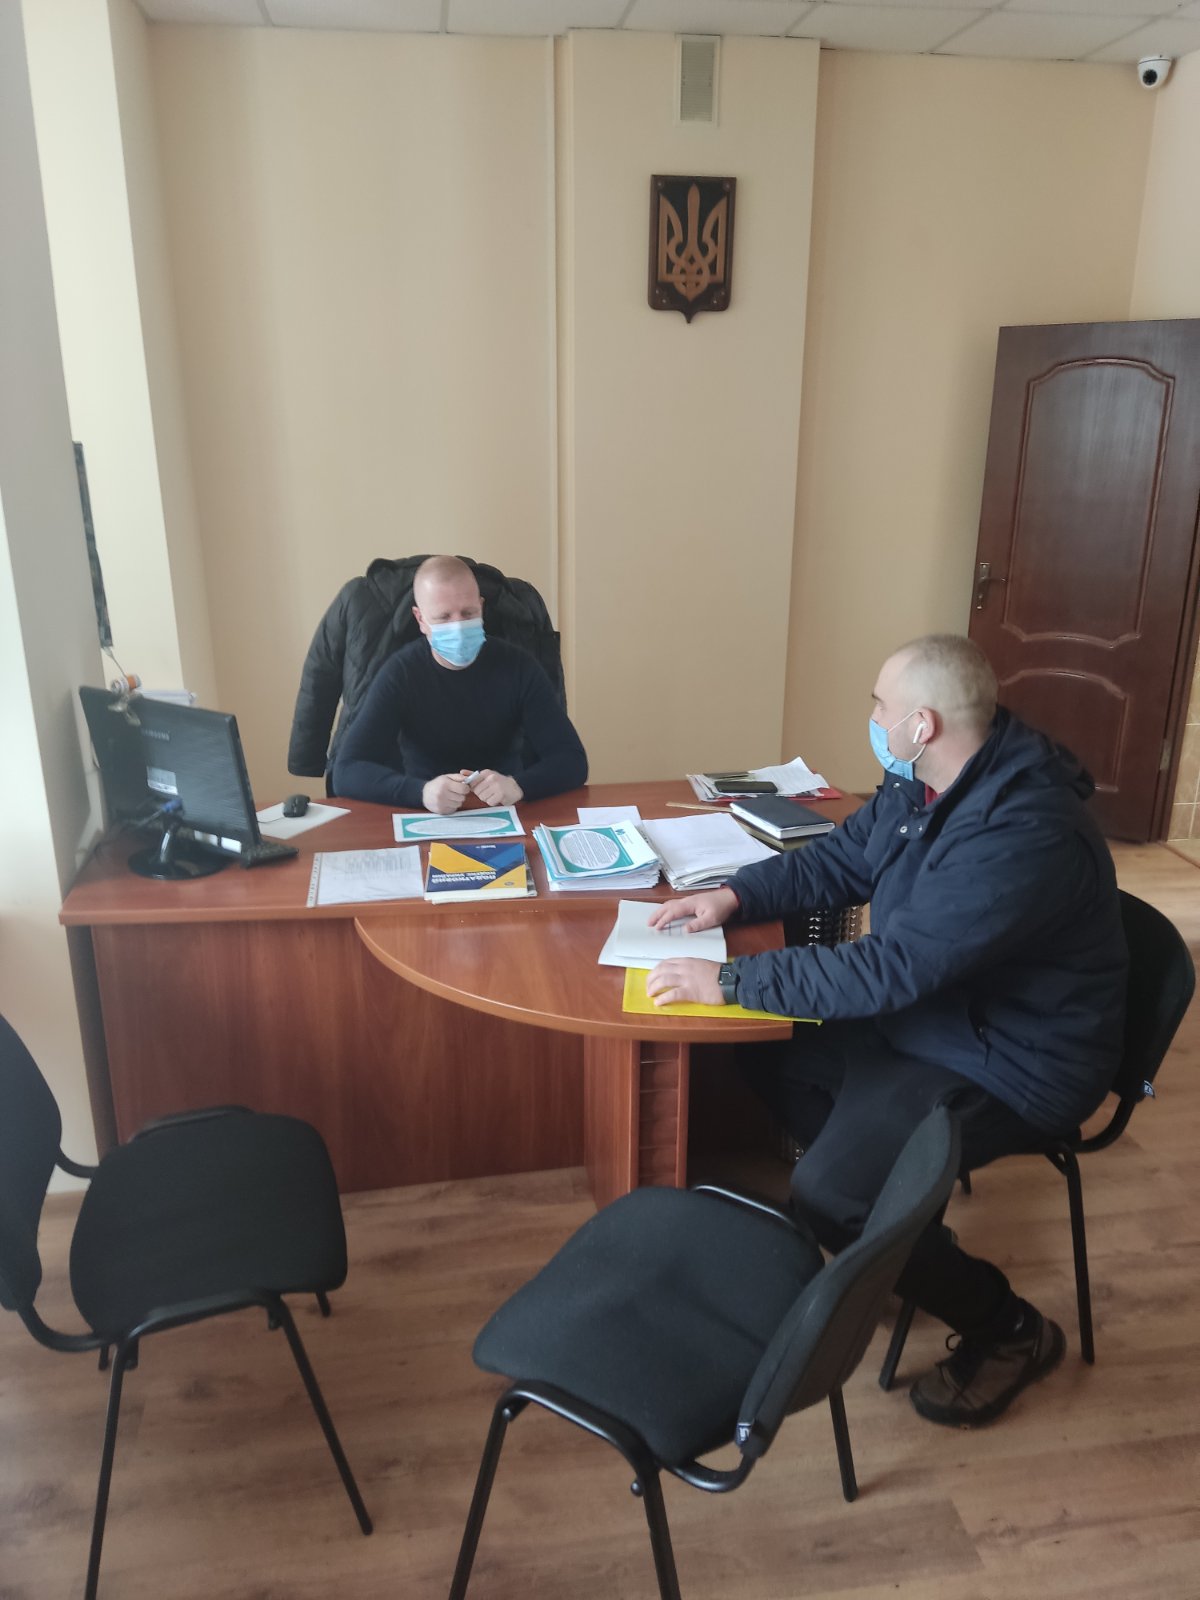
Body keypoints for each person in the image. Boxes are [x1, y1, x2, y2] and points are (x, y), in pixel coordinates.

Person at [645, 634, 1128, 1428]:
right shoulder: (928, 779)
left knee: (832, 1195)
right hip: (940, 1017)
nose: (873, 718)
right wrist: (735, 897)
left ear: (922, 724)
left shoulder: (1023, 833)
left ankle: (1008, 1328)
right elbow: (843, 858)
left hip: (1015, 1060)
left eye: (880, 706)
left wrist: (731, 980)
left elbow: (887, 969)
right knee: (765, 1053)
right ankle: (897, 1232)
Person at [331, 555, 587, 812]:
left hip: (502, 805)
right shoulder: (400, 673)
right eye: (443, 617)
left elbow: (572, 760)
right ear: (420, 619)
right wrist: (420, 792)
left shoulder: (519, 666)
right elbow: (346, 771)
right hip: (427, 810)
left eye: (468, 613)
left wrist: (519, 785)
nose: (458, 627)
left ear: (481, 607)